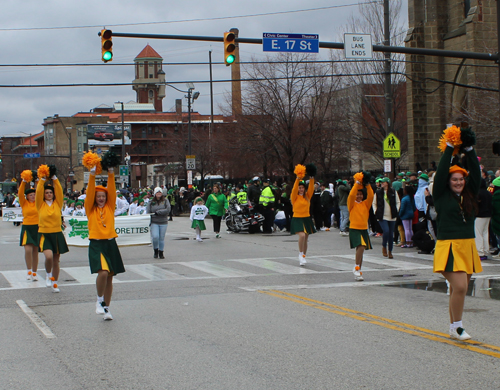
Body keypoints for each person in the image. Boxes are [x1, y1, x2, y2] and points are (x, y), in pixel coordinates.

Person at [433, 140, 481, 340]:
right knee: (461, 286)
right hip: (448, 246)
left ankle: (453, 327)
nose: (458, 182)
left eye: (461, 179)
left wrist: (469, 150)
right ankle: (458, 326)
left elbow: (477, 176)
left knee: (457, 288)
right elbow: (442, 172)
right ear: (448, 181)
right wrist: (450, 148)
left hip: (467, 245)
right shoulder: (440, 196)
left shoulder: (469, 195)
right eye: (454, 179)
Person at [85, 165, 126, 321]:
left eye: (103, 196)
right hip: (96, 244)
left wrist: (110, 173)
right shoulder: (90, 209)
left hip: (110, 243)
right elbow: (89, 193)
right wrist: (92, 174)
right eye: (98, 196)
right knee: (102, 272)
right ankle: (99, 299)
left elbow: (111, 190)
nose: (101, 198)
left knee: (110, 277)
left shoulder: (110, 207)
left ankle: (107, 308)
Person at [36, 167, 69, 293]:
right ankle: (48, 274)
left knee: (56, 260)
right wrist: (43, 178)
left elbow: (59, 191)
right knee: (48, 257)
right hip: (44, 233)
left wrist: (54, 178)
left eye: (50, 193)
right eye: (47, 193)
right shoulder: (40, 204)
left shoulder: (57, 203)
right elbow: (39, 191)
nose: (49, 194)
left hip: (57, 233)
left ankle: (55, 283)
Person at [347, 173, 374, 281]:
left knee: (360, 250)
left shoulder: (365, 204)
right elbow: (351, 195)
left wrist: (367, 185)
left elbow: (371, 195)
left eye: (360, 195)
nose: (358, 196)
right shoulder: (351, 204)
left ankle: (358, 270)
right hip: (354, 228)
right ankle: (356, 268)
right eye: (357, 194)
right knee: (361, 246)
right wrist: (356, 184)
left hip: (364, 229)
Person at [290, 169, 315, 266]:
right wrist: (298, 178)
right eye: (299, 188)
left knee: (306, 238)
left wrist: (312, 178)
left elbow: (311, 189)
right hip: (297, 218)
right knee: (302, 235)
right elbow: (294, 189)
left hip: (306, 218)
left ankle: (304, 255)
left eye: (302, 188)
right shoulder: (294, 197)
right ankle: (300, 254)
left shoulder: (307, 196)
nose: (301, 189)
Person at [372, 177, 400, 259]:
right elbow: (374, 203)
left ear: (387, 183)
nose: (382, 184)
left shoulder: (393, 192)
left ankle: (390, 251)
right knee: (386, 231)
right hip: (382, 216)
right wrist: (376, 211)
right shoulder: (378, 192)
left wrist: (396, 210)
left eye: (383, 182)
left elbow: (398, 202)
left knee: (391, 234)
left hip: (392, 216)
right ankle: (384, 246)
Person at [19, 177, 39, 281]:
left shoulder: (38, 203)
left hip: (37, 227)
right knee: (28, 249)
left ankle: (35, 272)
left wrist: (38, 181)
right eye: (31, 195)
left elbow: (40, 190)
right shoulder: (24, 203)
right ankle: (29, 270)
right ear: (27, 196)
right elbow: (20, 192)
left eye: (34, 195)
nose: (33, 196)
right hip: (27, 227)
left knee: (35, 250)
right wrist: (23, 182)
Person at [147, 187, 171, 259]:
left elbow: (168, 209)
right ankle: (155, 250)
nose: (159, 194)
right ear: (155, 193)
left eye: (160, 192)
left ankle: (161, 252)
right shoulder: (151, 202)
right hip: (154, 221)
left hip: (163, 221)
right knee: (155, 236)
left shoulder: (165, 201)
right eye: (157, 192)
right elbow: (148, 211)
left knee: (161, 238)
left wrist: (158, 212)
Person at [475, 178, 492, 260]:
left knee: (478, 233)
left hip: (479, 215)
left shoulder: (478, 193)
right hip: (488, 215)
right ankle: (486, 250)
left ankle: (480, 252)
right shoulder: (488, 193)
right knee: (485, 233)